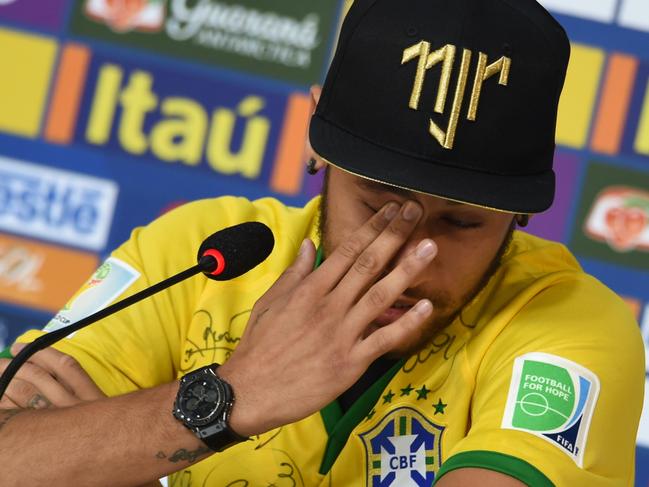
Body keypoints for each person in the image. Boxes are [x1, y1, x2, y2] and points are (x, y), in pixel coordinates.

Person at [0, 0, 644, 485]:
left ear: (520, 212)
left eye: (461, 223)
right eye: (380, 204)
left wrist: (116, 455)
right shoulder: (205, 250)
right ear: (314, 138)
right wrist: (236, 396)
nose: (403, 256)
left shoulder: (570, 327)